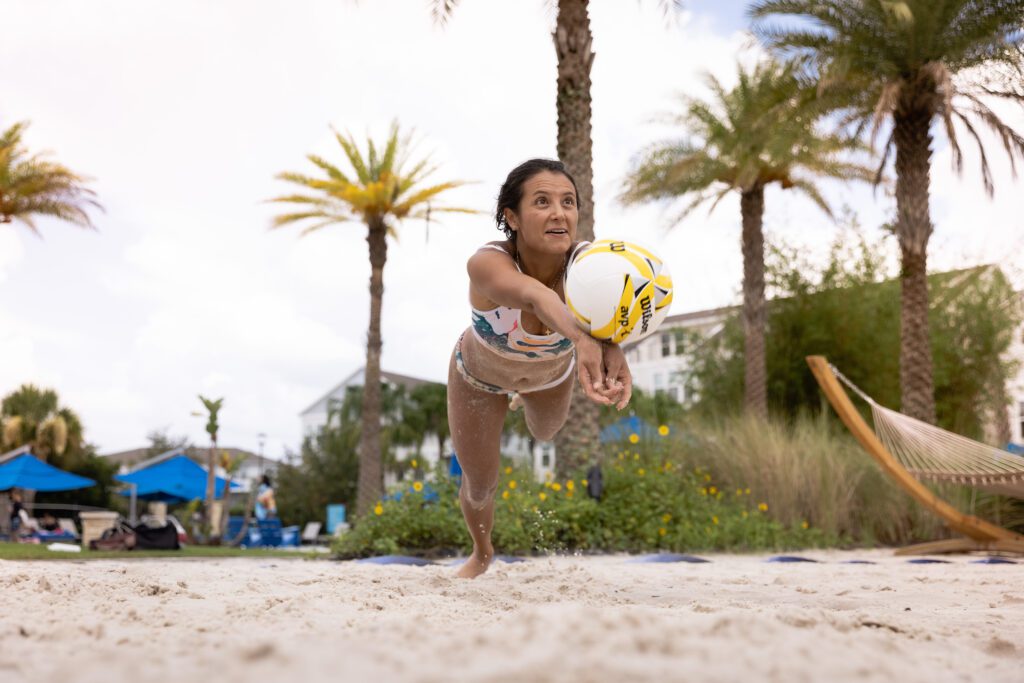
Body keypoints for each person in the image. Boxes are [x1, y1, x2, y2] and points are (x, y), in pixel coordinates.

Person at [448, 158, 632, 579]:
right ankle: (482, 552)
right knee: (480, 485)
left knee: (545, 432)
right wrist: (586, 340)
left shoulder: (590, 267)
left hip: (551, 376)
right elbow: (532, 297)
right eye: (542, 201)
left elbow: (619, 306)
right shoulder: (487, 263)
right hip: (478, 378)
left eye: (568, 202)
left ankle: (524, 397)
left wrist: (612, 346)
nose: (559, 213)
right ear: (511, 217)